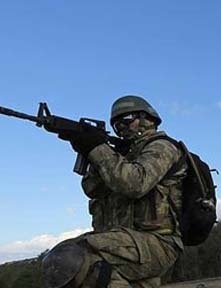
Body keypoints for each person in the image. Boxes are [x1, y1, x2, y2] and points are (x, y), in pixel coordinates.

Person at [42, 96, 186, 288]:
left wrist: (97, 148)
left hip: (157, 244)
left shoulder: (163, 147)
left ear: (147, 118)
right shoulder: (119, 156)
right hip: (127, 243)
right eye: (117, 125)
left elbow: (135, 184)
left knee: (70, 258)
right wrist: (90, 151)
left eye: (127, 120)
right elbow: (92, 189)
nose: (122, 128)